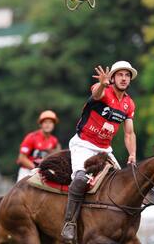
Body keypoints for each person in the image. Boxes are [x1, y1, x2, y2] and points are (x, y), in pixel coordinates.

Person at [61, 61, 138, 242]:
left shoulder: (129, 104)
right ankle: (69, 223)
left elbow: (129, 133)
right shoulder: (102, 88)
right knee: (80, 179)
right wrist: (103, 84)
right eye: (120, 74)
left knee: (125, 184)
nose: (124, 78)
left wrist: (132, 154)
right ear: (112, 77)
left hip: (105, 150)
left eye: (127, 75)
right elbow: (97, 93)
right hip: (84, 145)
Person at [16, 110, 61, 181]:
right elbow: (22, 158)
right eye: (45, 122)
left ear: (54, 125)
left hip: (42, 174)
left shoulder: (54, 140)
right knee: (20, 191)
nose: (48, 125)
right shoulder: (31, 137)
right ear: (40, 124)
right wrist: (35, 168)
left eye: (50, 122)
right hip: (27, 171)